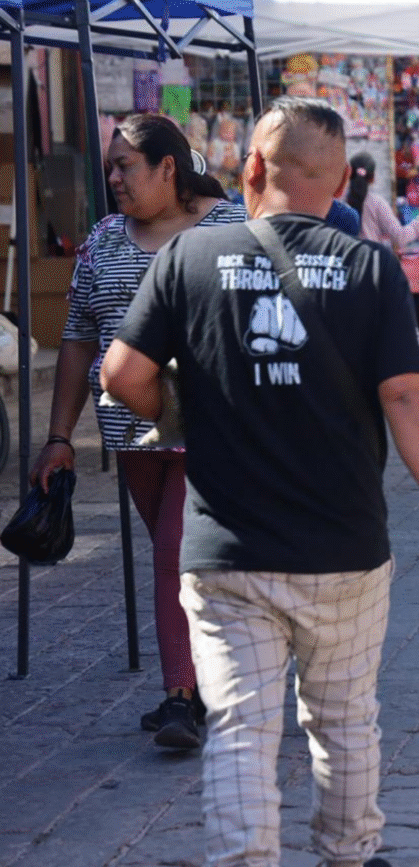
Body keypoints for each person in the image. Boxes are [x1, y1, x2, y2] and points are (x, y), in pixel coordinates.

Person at [100, 97, 419, 867]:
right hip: (344, 547)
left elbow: (120, 374)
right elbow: (406, 393)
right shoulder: (371, 269)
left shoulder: (190, 260)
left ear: (253, 167)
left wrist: (176, 410)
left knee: (240, 726)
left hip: (226, 550)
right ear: (336, 187)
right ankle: (351, 853)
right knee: (343, 721)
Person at [30, 113, 245, 751]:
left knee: (175, 557)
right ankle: (215, 677)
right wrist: (59, 436)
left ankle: (181, 697)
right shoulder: (103, 237)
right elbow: (76, 339)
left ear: (168, 167)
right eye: (111, 169)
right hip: (130, 433)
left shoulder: (233, 227)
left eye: (126, 167)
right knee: (189, 560)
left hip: (213, 433)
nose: (115, 179)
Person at [346, 150, 419, 251]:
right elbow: (401, 237)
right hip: (371, 262)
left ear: (348, 174)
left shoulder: (338, 201)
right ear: (372, 178)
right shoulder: (376, 203)